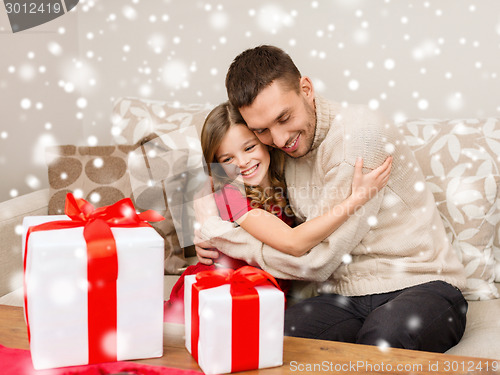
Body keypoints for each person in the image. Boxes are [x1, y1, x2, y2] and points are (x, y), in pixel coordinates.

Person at [194, 45, 468, 353]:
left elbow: (316, 260)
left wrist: (223, 236)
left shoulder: (360, 138)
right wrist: (201, 222)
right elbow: (214, 164)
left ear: (306, 89)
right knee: (267, 339)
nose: (280, 139)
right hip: (344, 297)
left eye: (284, 117)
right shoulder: (278, 147)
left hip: (420, 284)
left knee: (383, 343)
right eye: (263, 131)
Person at [165, 101, 391, 322]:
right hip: (217, 295)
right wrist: (357, 199)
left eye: (249, 147)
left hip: (261, 298)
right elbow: (292, 242)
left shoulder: (283, 182)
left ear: (266, 141)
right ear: (217, 165)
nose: (243, 162)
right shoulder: (231, 195)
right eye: (228, 159)